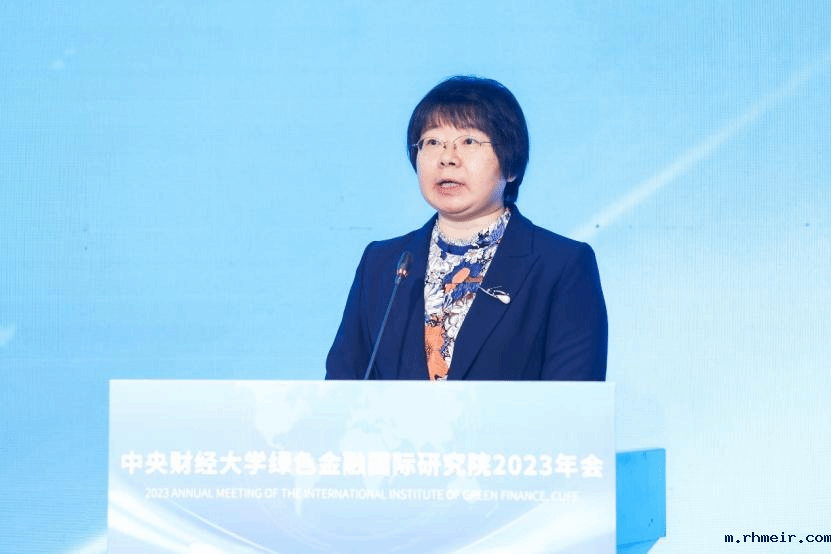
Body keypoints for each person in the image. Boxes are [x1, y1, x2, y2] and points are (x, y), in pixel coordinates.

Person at [326, 76, 607, 381]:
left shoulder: (561, 265)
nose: (447, 158)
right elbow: (343, 387)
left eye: (469, 141)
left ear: (511, 166)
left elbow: (575, 399)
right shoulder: (383, 263)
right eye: (432, 142)